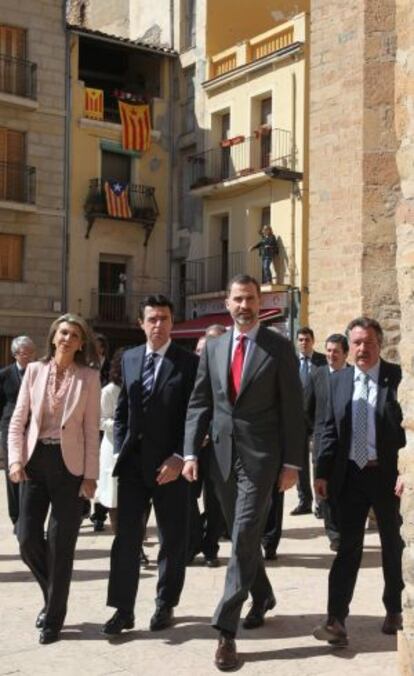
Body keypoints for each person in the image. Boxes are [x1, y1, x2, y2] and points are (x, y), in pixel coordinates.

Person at [182, 274, 305, 671]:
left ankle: (226, 631)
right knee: (242, 535)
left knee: (244, 534)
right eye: (237, 299)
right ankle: (264, 594)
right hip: (220, 457)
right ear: (228, 302)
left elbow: (292, 410)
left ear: (259, 301)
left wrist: (292, 463)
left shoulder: (279, 348)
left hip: (261, 457)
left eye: (250, 298)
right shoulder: (214, 347)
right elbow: (200, 402)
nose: (243, 306)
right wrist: (188, 452)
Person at [102, 294, 198, 636]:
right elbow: (123, 408)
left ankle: (165, 604)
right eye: (152, 319)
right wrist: (122, 445)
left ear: (172, 323)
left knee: (172, 540)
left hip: (171, 467)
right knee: (126, 539)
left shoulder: (187, 363)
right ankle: (122, 610)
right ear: (141, 323)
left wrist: (179, 456)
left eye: (164, 318)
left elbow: (196, 416)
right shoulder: (128, 358)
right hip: (132, 466)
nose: (158, 325)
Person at [8, 314, 100, 645]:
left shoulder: (89, 377)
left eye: (74, 335)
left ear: (80, 343)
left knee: (62, 545)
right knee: (26, 537)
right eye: (62, 332)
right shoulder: (33, 371)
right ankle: (53, 595)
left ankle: (54, 619)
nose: (66, 338)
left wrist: (91, 476)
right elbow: (18, 420)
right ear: (52, 337)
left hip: (69, 468)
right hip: (35, 463)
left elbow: (92, 430)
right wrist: (15, 460)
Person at [313, 317, 406, 647]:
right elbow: (327, 429)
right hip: (349, 476)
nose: (362, 348)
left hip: (386, 476)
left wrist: (406, 471)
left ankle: (395, 609)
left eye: (368, 342)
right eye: (356, 343)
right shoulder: (337, 381)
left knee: (392, 544)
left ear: (379, 343)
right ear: (349, 346)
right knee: (347, 547)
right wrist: (321, 473)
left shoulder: (397, 377)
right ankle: (336, 618)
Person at [305, 333, 349, 550]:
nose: (331, 355)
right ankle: (334, 535)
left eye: (336, 351)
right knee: (325, 490)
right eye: (329, 350)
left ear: (345, 354)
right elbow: (307, 408)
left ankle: (346, 528)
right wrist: (315, 432)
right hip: (322, 441)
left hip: (348, 444)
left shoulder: (353, 375)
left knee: (345, 488)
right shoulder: (318, 375)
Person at [188, 324, 227, 567]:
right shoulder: (190, 370)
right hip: (192, 447)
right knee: (187, 499)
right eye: (204, 346)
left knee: (216, 502)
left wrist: (210, 433)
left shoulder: (230, 370)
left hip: (218, 446)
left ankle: (211, 547)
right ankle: (192, 543)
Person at [291, 326, 327, 516]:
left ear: (313, 341)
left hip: (318, 419)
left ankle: (321, 504)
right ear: (297, 342)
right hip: (297, 421)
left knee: (318, 461)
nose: (303, 342)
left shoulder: (322, 361)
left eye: (307, 339)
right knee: (300, 464)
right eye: (301, 339)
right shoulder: (290, 362)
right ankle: (304, 501)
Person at [0, 336, 36, 526]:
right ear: (15, 354)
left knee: (31, 470)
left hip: (33, 428)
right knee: (12, 470)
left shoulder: (38, 373)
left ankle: (28, 515)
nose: (29, 356)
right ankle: (16, 518)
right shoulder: (5, 375)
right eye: (24, 353)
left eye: (31, 352)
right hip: (10, 428)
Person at [96, 349, 124, 533]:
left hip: (137, 449)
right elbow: (100, 420)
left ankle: (136, 544)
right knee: (114, 497)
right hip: (113, 447)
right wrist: (123, 424)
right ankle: (121, 540)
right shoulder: (108, 391)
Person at [89, 333, 111, 531]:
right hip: (88, 423)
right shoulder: (84, 366)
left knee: (103, 470)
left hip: (104, 425)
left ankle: (99, 514)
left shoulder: (111, 367)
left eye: (98, 346)